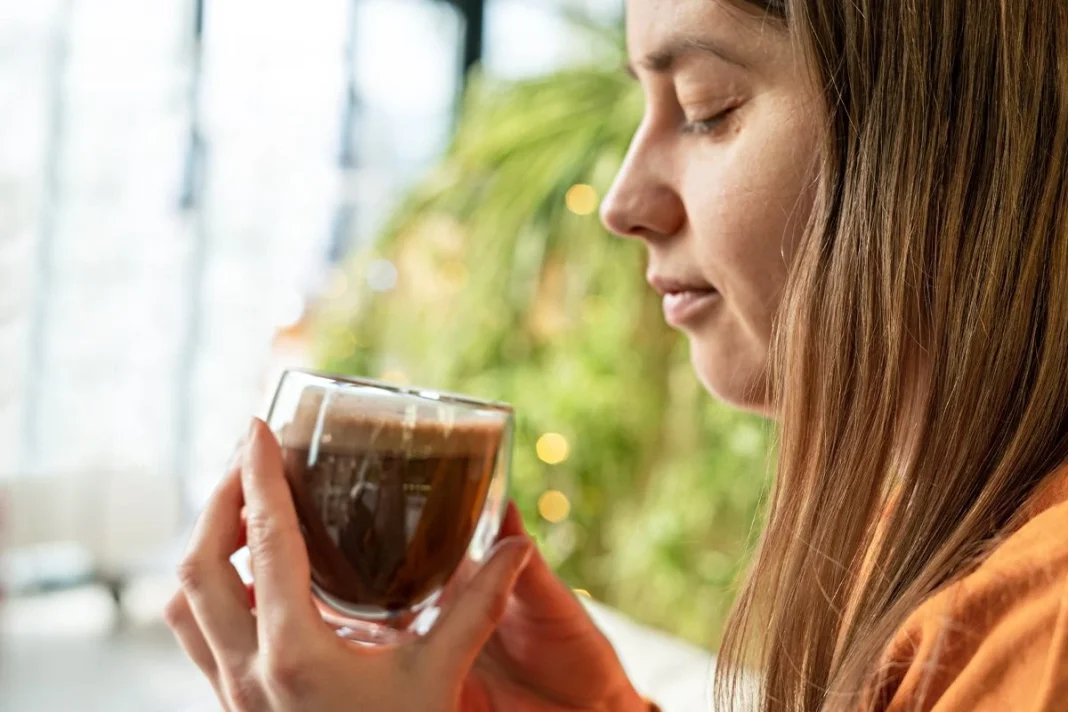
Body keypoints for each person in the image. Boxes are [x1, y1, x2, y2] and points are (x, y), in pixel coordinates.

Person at [164, 0, 1068, 710]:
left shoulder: (1035, 627)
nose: (623, 199)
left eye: (707, 110)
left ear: (946, 130)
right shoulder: (941, 529)